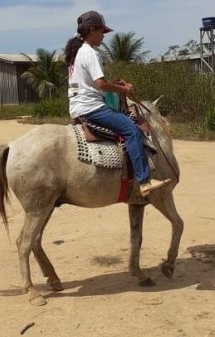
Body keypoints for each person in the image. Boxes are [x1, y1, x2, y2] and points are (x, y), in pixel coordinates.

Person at [64, 10, 170, 197]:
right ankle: (144, 181)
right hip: (92, 108)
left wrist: (116, 86)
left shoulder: (79, 53)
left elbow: (94, 84)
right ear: (91, 30)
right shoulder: (90, 53)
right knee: (132, 128)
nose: (103, 35)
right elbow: (101, 84)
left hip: (79, 107)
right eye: (101, 31)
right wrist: (125, 89)